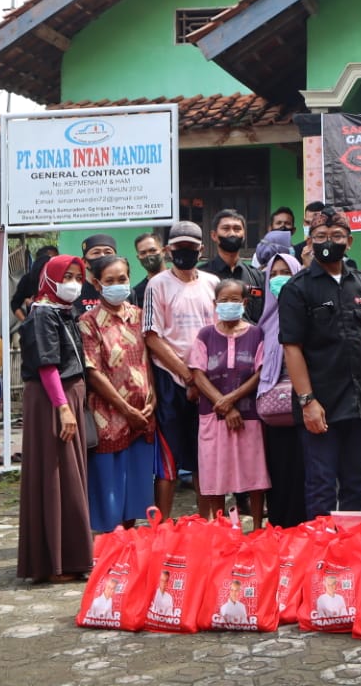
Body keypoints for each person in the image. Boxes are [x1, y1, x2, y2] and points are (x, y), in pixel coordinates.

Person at [280, 207, 361, 519]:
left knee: (357, 483)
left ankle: (356, 553)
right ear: (310, 242)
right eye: (321, 237)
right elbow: (292, 348)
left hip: (358, 402)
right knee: (321, 485)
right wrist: (307, 401)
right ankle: (322, 558)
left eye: (337, 236)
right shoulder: (297, 288)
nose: (329, 242)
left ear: (350, 241)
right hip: (319, 405)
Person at [17, 254, 94, 582]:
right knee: (56, 475)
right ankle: (53, 563)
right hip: (53, 400)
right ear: (50, 279)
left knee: (70, 475)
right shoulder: (41, 314)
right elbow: (47, 366)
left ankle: (72, 557)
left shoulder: (64, 312)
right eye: (68, 276)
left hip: (68, 396)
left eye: (78, 276)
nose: (74, 283)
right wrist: (63, 407)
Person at [142, 221, 220, 519]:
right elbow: (151, 335)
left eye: (190, 248)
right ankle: (159, 530)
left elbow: (219, 333)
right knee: (169, 462)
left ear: (201, 249)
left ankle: (208, 526)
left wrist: (201, 378)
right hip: (171, 382)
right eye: (179, 248)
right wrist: (187, 375)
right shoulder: (157, 284)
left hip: (207, 383)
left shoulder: (212, 283)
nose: (185, 253)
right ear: (168, 250)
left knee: (206, 460)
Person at [79, 255, 156, 532]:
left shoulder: (139, 315)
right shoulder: (88, 322)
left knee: (136, 483)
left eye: (122, 279)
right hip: (109, 414)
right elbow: (93, 371)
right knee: (109, 484)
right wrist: (126, 410)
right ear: (96, 284)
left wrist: (153, 400)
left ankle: (131, 545)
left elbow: (150, 360)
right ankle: (110, 545)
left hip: (143, 413)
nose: (117, 285)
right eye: (109, 281)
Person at [187, 279, 270, 524]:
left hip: (249, 416)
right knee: (215, 474)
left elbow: (260, 372)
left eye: (235, 300)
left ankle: (256, 528)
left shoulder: (256, 334)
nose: (229, 304)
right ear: (214, 304)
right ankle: (221, 529)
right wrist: (222, 403)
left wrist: (232, 400)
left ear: (244, 303)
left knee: (254, 473)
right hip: (212, 416)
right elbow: (197, 373)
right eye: (223, 300)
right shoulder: (206, 334)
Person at [257, 251, 307, 527]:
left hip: (303, 403)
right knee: (277, 469)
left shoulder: (306, 311)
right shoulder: (264, 319)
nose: (278, 279)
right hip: (272, 409)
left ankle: (303, 529)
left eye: (284, 273)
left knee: (303, 469)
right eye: (273, 275)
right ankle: (279, 528)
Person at [203, 209, 266, 323]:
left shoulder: (257, 277)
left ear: (244, 235)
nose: (232, 233)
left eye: (237, 229)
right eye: (226, 229)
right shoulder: (202, 275)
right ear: (214, 235)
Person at [11, 244, 58, 321]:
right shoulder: (27, 279)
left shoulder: (58, 279)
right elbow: (15, 304)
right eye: (54, 259)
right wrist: (25, 321)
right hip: (35, 327)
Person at [132, 233, 166, 307]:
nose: (148, 255)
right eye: (143, 253)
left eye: (152, 250)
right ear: (138, 258)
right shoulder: (137, 293)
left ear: (163, 251)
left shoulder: (178, 280)